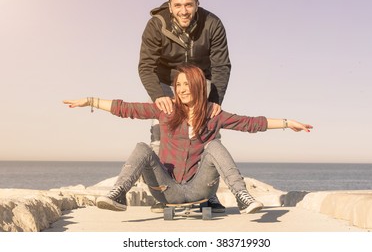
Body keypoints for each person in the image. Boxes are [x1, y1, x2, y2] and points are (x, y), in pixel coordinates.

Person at [63, 65, 313, 215]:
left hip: (199, 190)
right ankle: (118, 194)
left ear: (197, 86)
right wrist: (90, 101)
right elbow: (127, 108)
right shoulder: (167, 109)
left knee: (214, 145)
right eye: (177, 85)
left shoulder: (214, 114)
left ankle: (242, 196)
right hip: (166, 190)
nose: (180, 89)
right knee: (142, 147)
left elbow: (251, 123)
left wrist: (287, 122)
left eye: (186, 84)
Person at [138, 0, 232, 212]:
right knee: (160, 134)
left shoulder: (213, 24)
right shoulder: (156, 25)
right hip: (166, 82)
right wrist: (158, 95)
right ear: (170, 6)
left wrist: (214, 101)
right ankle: (162, 193)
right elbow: (145, 66)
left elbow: (222, 65)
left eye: (189, 5)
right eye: (178, 5)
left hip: (201, 81)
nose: (183, 10)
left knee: (210, 135)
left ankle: (207, 195)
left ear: (197, 4)